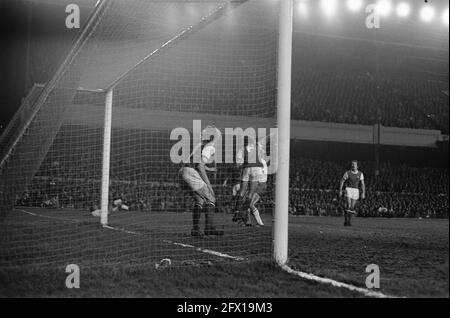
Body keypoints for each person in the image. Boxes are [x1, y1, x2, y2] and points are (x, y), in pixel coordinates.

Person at [179, 126, 224, 237]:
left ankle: (195, 229)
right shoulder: (210, 147)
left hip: (182, 171)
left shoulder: (199, 145)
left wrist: (210, 169)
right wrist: (209, 185)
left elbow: (196, 163)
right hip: (191, 173)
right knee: (211, 198)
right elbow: (200, 166)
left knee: (199, 200)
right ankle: (209, 228)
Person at [339, 160, 366, 226]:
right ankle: (346, 221)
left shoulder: (360, 174)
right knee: (348, 205)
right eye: (352, 164)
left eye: (354, 164)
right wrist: (340, 190)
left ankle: (349, 221)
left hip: (356, 190)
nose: (353, 165)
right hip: (348, 189)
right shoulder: (347, 173)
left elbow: (362, 184)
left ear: (357, 166)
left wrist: (363, 193)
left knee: (352, 207)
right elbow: (342, 181)